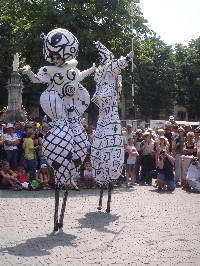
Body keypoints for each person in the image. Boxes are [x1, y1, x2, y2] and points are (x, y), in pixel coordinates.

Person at [90, 40, 134, 187]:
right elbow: (119, 64)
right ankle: (108, 171)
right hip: (108, 110)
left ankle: (107, 172)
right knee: (108, 138)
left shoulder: (101, 72)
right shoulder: (108, 67)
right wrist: (128, 58)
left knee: (103, 137)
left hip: (104, 110)